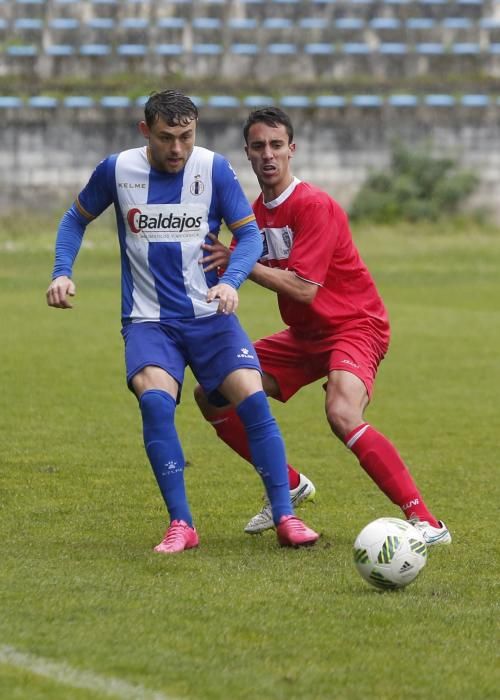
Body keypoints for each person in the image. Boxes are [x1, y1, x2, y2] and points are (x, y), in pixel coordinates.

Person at [46, 91, 319, 553]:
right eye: (167, 137)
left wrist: (232, 280)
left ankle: (286, 517)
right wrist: (61, 272)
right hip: (148, 320)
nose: (177, 149)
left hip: (212, 317)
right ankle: (182, 525)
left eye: (187, 137)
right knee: (154, 404)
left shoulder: (212, 168)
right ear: (145, 131)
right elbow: (75, 219)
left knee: (252, 399)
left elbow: (248, 234)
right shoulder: (116, 170)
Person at [195, 106, 451, 546]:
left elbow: (302, 289)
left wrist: (241, 261)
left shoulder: (314, 205)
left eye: (277, 145)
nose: (268, 155)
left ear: (292, 150)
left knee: (341, 411)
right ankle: (288, 483)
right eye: (258, 147)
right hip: (303, 336)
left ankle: (427, 521)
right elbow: (228, 267)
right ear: (248, 154)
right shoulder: (254, 213)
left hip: (356, 325)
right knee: (212, 393)